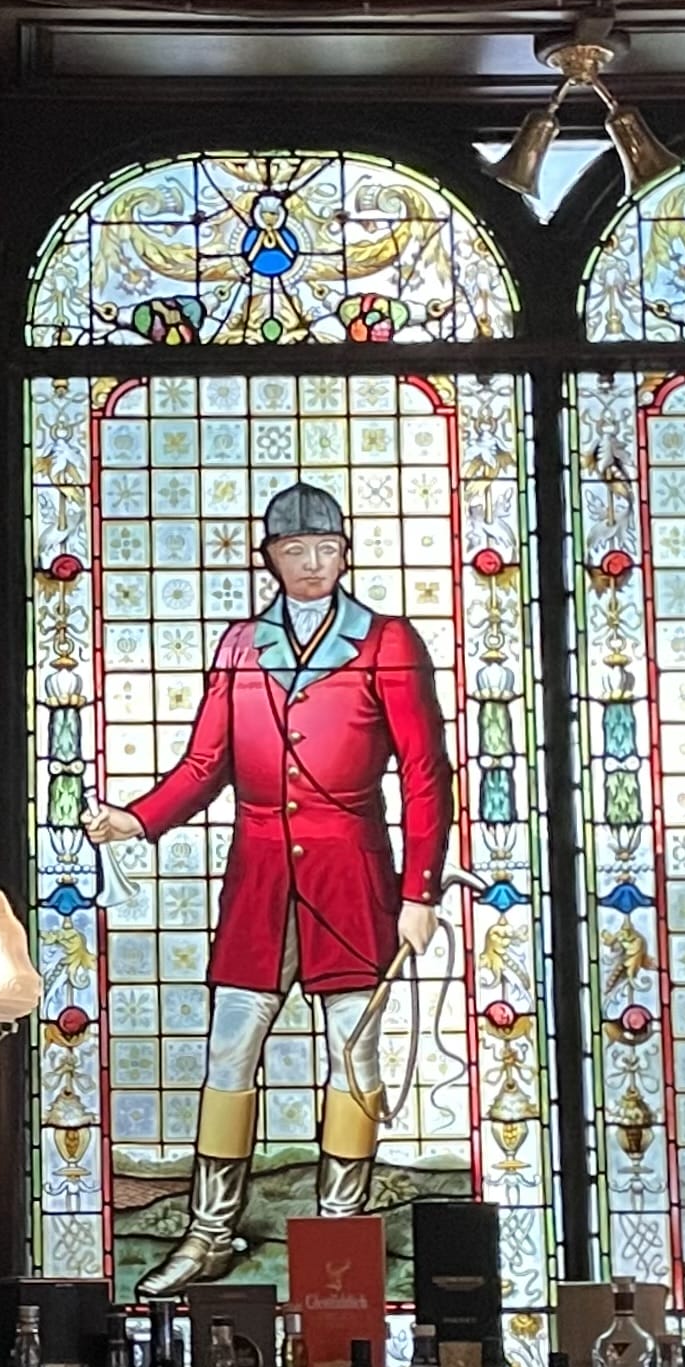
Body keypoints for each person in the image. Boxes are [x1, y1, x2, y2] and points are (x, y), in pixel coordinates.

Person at [89, 482, 452, 1296]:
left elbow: (427, 772)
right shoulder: (241, 647)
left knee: (352, 1057)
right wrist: (136, 820)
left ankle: (340, 1232)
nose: (314, 563)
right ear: (271, 559)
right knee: (228, 1051)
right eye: (296, 550)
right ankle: (211, 1232)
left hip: (355, 876)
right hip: (258, 880)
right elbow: (204, 765)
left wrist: (420, 891)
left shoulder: (387, 642)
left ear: (346, 553)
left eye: (327, 548)